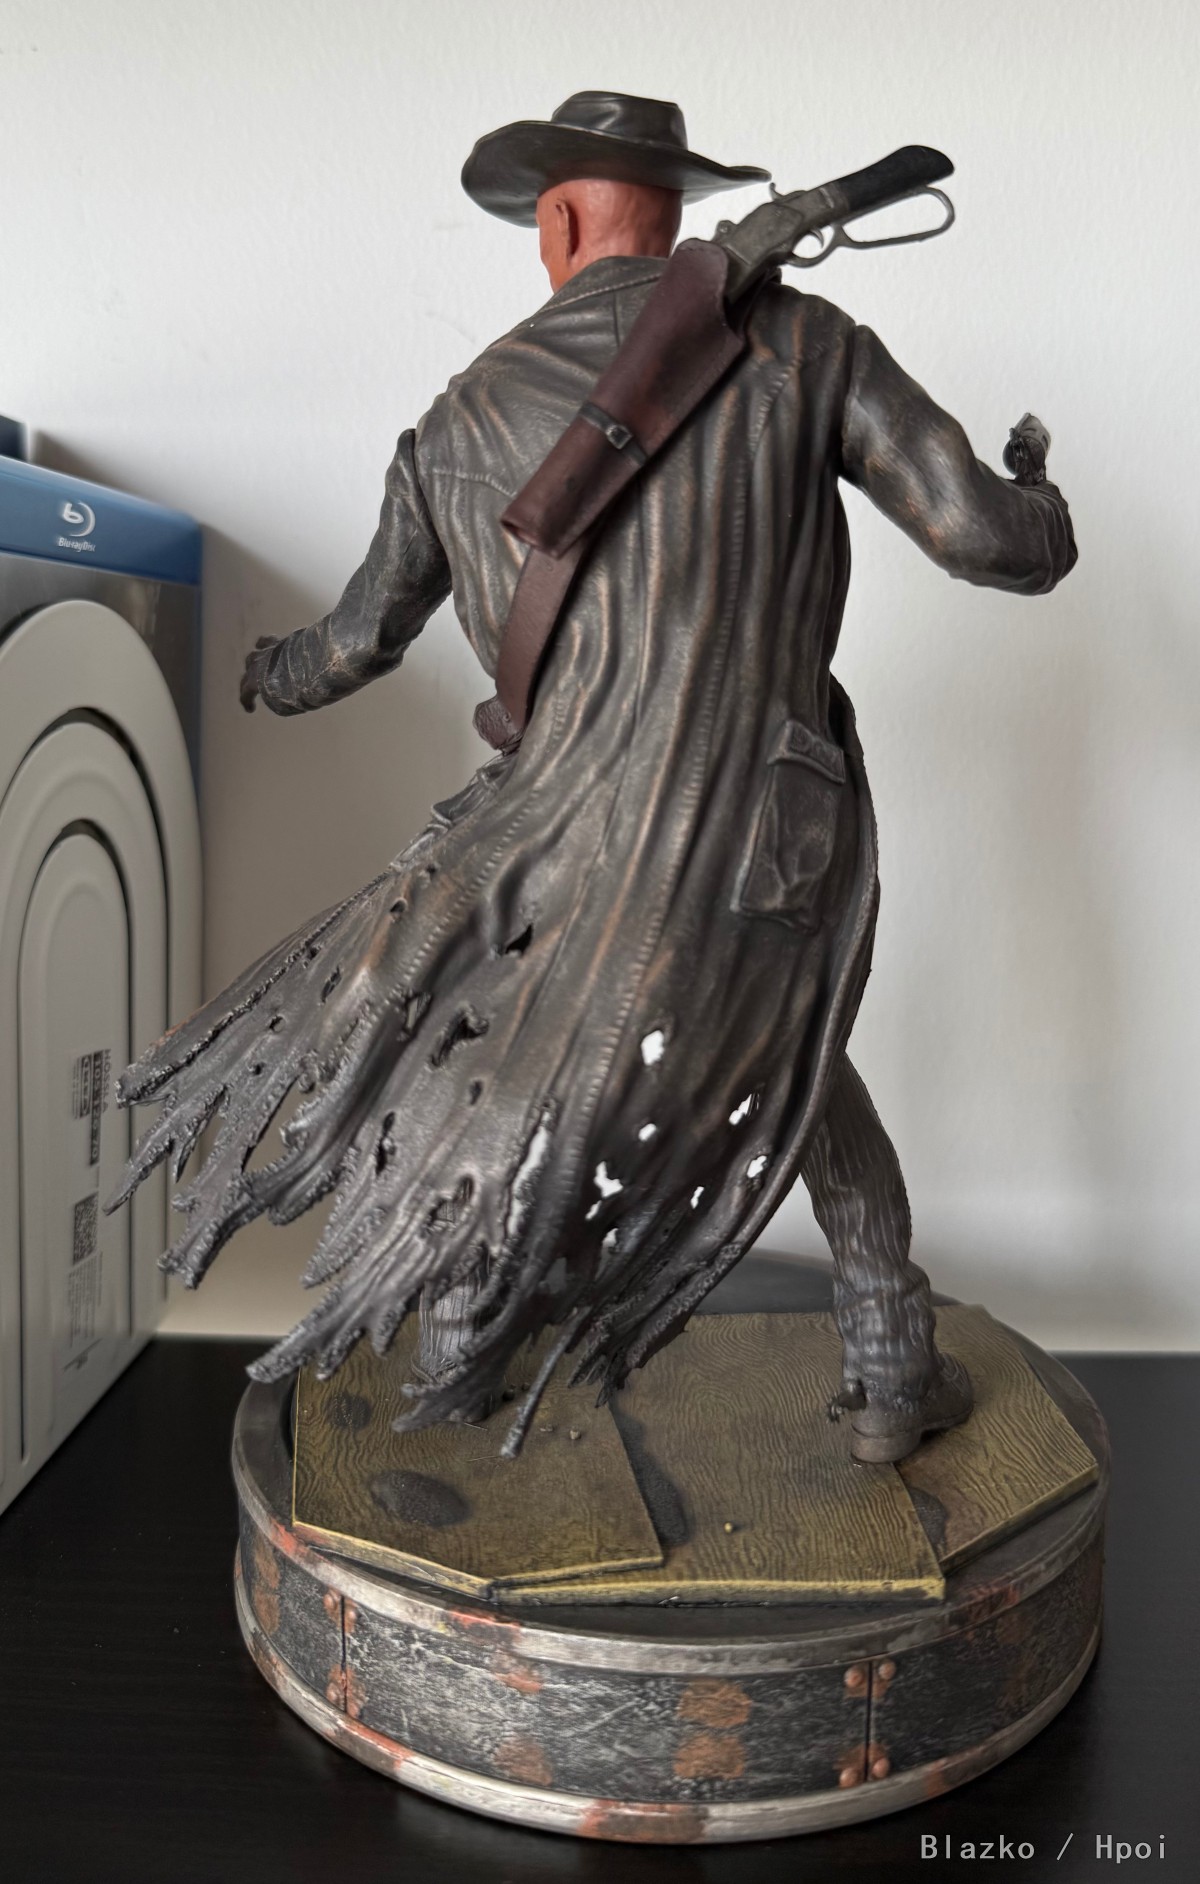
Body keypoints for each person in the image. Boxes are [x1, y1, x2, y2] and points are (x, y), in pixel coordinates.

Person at [108, 93, 1076, 1463]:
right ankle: (886, 1353)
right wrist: (1043, 492)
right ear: (672, 215)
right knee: (786, 1052)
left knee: (496, 1058)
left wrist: (264, 671)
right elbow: (989, 538)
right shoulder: (804, 344)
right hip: (761, 830)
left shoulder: (457, 420)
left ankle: (461, 1339)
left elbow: (357, 643)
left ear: (558, 222)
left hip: (547, 840)